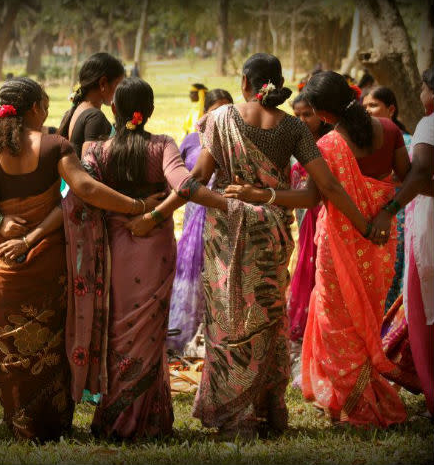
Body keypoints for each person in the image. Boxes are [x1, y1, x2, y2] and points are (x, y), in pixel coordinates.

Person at [134, 54, 382, 438]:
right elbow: (321, 192)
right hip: (270, 238)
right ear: (278, 84)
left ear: (246, 82)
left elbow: (193, 183)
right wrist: (364, 224)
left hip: (226, 236)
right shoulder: (295, 129)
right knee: (267, 320)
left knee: (227, 324)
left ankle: (235, 416)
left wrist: (155, 215)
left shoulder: (218, 120)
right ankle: (269, 412)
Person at [0, 77, 165, 441]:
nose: (46, 110)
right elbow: (84, 191)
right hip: (48, 259)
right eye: (43, 104)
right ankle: (53, 422)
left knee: (10, 345)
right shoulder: (54, 145)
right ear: (33, 110)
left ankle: (20, 423)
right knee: (52, 341)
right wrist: (138, 206)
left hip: (3, 263)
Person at [226, 70, 411, 428]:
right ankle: (363, 393)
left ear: (323, 114)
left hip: (341, 244)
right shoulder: (390, 131)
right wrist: (385, 212)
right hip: (380, 242)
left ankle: (351, 403)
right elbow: (405, 178)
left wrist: (258, 195)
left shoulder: (327, 146)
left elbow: (312, 197)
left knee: (338, 321)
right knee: (367, 315)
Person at [65, 77, 231, 439]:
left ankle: (115, 419)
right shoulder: (162, 145)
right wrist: (221, 204)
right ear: (150, 110)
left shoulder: (95, 149)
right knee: (150, 334)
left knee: (116, 329)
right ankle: (151, 422)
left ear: (113, 110)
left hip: (112, 248)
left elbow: (85, 193)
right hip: (154, 247)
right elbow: (185, 186)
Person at [370, 67, 434, 418]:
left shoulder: (428, 124)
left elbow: (420, 174)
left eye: (424, 88)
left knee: (424, 306)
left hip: (429, 222)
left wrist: (392, 205)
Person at [167, 89, 233, 352]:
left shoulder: (235, 142)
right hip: (196, 213)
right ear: (205, 112)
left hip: (224, 214)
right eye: (215, 110)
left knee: (220, 272)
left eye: (227, 109)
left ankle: (216, 333)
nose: (220, 116)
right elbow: (180, 177)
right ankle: (187, 330)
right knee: (193, 266)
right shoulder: (192, 140)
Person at [287, 94, 332, 347]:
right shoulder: (294, 143)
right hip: (304, 218)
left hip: (325, 217)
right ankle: (304, 324)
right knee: (306, 264)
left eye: (308, 114)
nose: (302, 120)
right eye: (297, 115)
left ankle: (322, 327)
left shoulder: (329, 143)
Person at [363, 86, 412, 311]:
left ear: (390, 109)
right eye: (364, 107)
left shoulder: (409, 142)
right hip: (369, 215)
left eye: (373, 105)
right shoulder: (363, 142)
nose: (368, 112)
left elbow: (411, 180)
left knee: (394, 269)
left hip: (400, 214)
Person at [58, 52, 125, 158]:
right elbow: (90, 166)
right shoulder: (94, 117)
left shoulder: (79, 108)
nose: (121, 91)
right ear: (103, 83)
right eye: (118, 85)